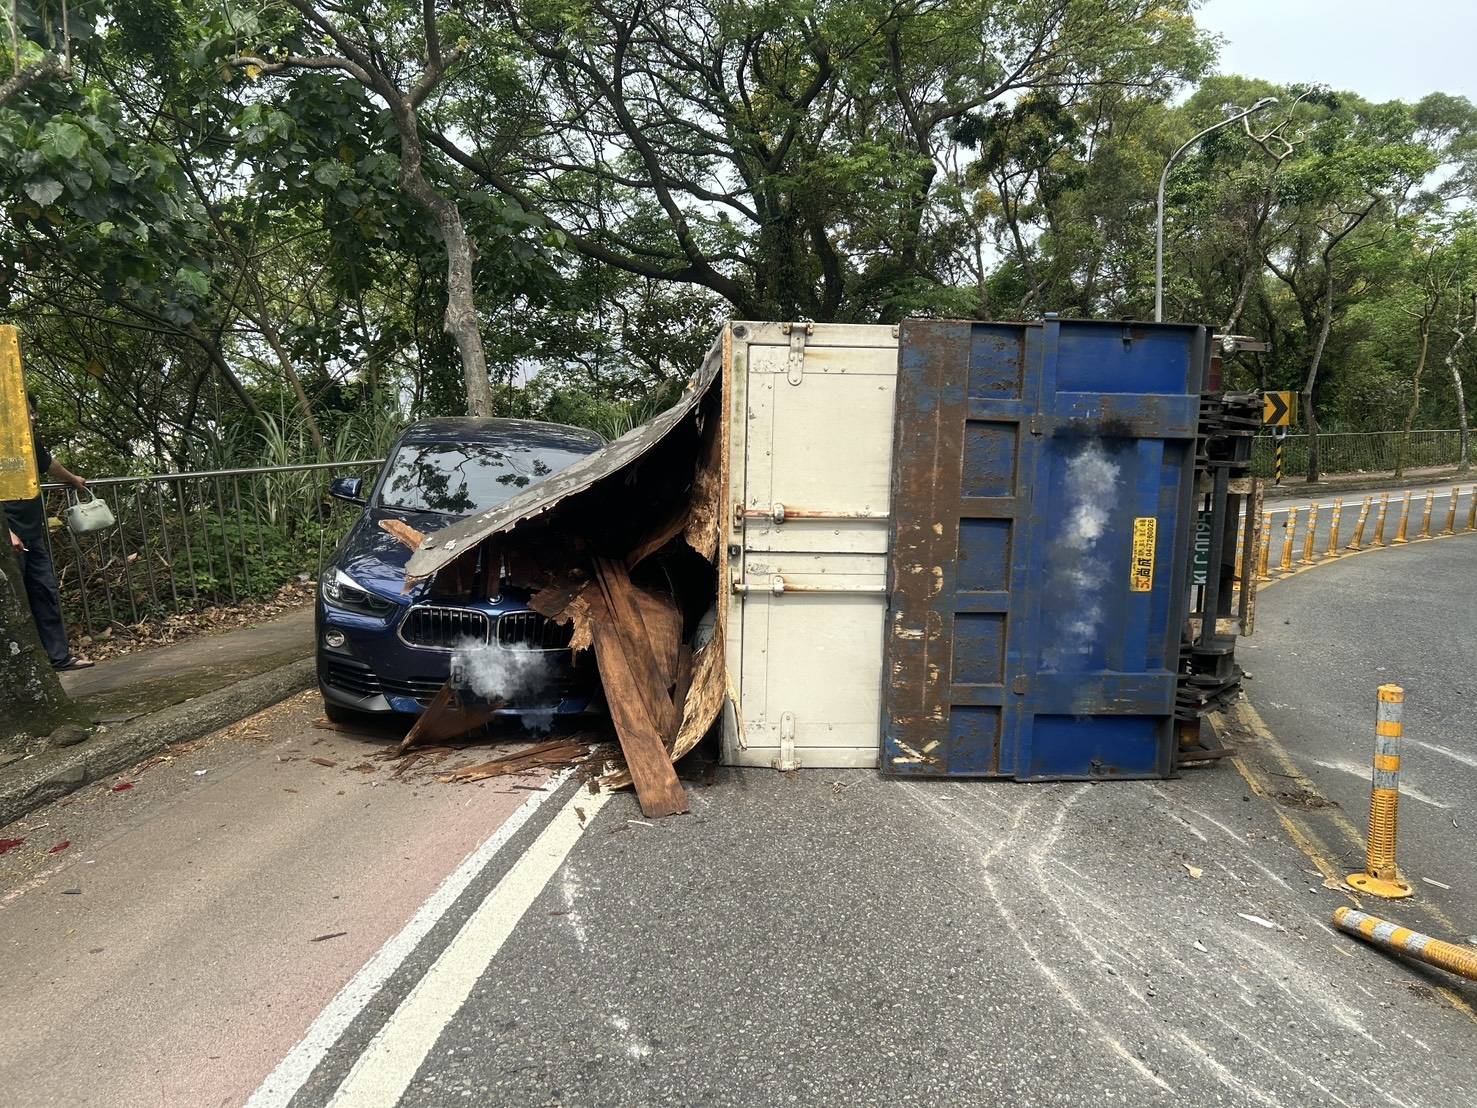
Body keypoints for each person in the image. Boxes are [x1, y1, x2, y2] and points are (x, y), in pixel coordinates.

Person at [3, 393, 93, 670]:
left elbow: (49, 465)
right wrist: (6, 533)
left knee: (45, 592)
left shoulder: (29, 444)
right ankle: (19, 666)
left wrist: (74, 480)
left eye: (34, 412)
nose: (34, 416)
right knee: (12, 603)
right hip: (9, 536)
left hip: (32, 533)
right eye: (28, 412)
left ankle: (58, 657)